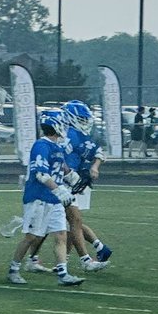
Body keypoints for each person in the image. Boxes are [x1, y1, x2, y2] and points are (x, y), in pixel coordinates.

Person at [6, 109, 84, 287]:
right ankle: (13, 269)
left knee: (61, 234)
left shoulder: (56, 146)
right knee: (31, 237)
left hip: (53, 199)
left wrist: (71, 176)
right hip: (39, 198)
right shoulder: (41, 145)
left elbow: (61, 165)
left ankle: (63, 273)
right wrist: (59, 190)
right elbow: (41, 174)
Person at [61, 100, 114, 273]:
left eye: (85, 119)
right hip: (64, 182)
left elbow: (99, 152)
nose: (84, 123)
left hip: (79, 183)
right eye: (80, 119)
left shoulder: (81, 135)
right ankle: (96, 250)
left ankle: (67, 259)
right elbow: (57, 157)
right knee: (71, 222)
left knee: (72, 222)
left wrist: (95, 166)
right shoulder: (66, 135)